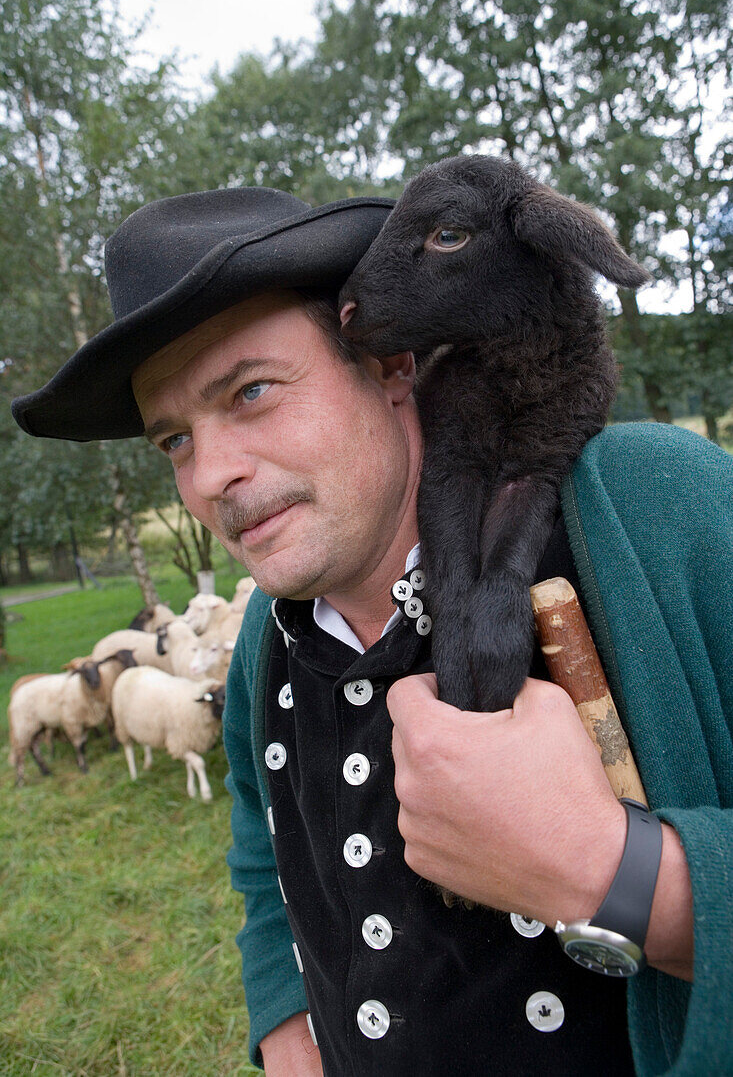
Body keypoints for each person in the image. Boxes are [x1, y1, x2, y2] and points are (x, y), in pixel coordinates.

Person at [11, 184, 732, 1077]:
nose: (211, 479)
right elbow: (257, 852)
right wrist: (284, 1020)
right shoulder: (260, 652)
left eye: (252, 391)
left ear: (389, 365)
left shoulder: (657, 510)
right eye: (174, 442)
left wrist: (618, 878)